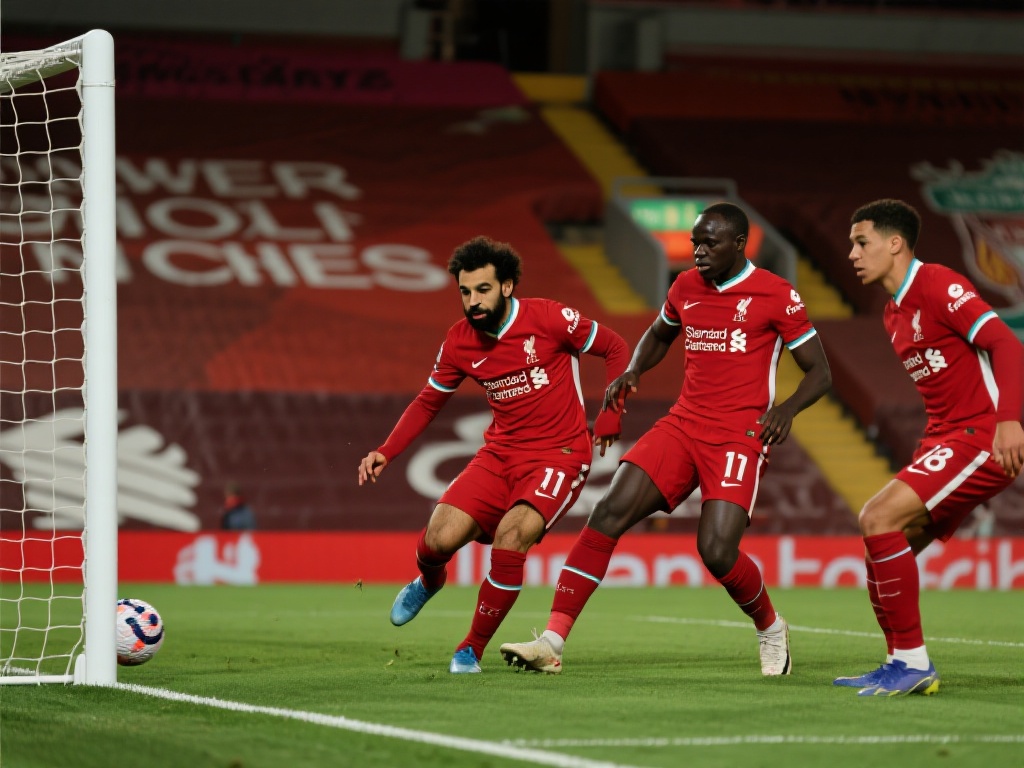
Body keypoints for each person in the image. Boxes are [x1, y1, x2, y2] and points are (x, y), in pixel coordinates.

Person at [500, 202, 832, 677]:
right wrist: (634, 370)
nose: (698, 252)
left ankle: (770, 627)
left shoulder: (777, 294)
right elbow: (659, 334)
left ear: (740, 244)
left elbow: (820, 372)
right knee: (608, 512)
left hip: (738, 435)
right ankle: (551, 642)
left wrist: (787, 409)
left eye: (709, 243)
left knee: (716, 551)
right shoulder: (685, 286)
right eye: (695, 242)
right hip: (683, 423)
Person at [357, 235, 630, 674]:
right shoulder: (459, 341)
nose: (473, 302)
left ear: (506, 286)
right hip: (500, 454)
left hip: (559, 455)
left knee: (510, 537)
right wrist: (387, 450)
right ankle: (429, 580)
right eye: (465, 292)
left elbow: (615, 346)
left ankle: (470, 649)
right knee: (437, 539)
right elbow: (428, 401)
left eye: (482, 290)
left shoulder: (549, 318)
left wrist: (612, 412)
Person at [832, 199, 1023, 696]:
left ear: (895, 243)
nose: (852, 254)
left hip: (981, 435)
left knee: (878, 518)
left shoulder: (938, 284)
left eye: (862, 242)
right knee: (880, 547)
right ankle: (898, 662)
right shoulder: (892, 313)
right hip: (947, 437)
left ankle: (914, 664)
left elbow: (1006, 344)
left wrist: (1009, 421)